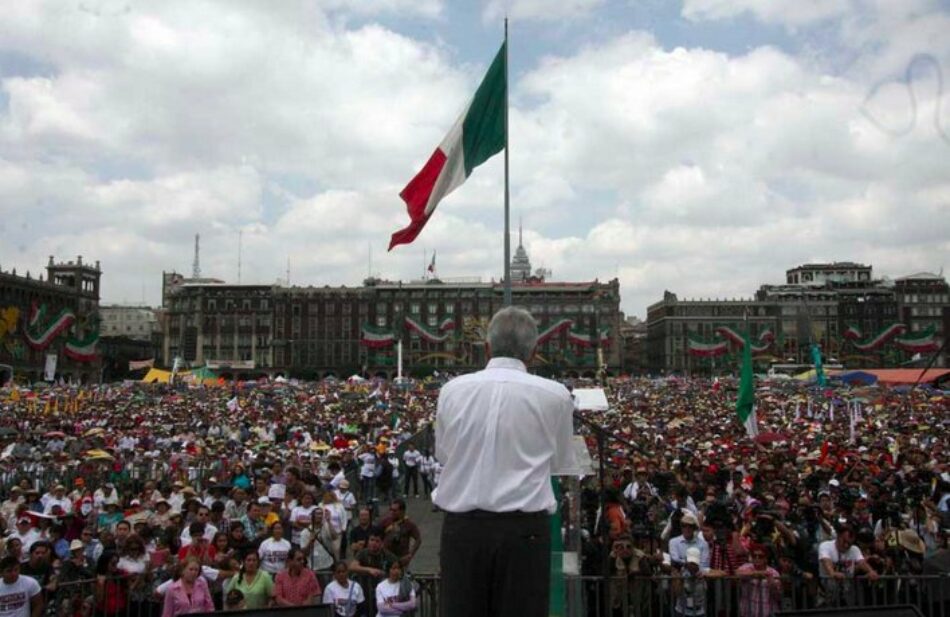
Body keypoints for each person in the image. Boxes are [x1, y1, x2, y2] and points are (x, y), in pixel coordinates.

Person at [434, 306, 575, 617]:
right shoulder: (556, 395)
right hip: (524, 532)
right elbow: (560, 462)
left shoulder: (451, 391)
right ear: (534, 351)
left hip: (463, 531)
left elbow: (444, 455)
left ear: (487, 347)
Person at [736, 545, 781, 617]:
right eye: (754, 556)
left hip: (767, 613)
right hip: (748, 612)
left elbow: (778, 595)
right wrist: (757, 573)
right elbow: (737, 573)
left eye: (760, 556)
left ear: (766, 558)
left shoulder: (773, 572)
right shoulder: (746, 567)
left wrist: (771, 582)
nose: (757, 558)